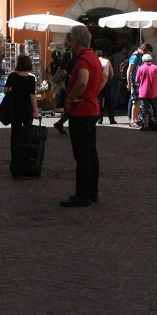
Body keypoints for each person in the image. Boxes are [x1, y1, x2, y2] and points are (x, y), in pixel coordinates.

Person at [61, 24, 103, 207]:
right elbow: (101, 79)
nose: (69, 44)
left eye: (70, 40)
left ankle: (83, 194)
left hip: (81, 110)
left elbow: (83, 80)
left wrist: (72, 97)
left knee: (83, 155)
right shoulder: (94, 57)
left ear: (76, 41)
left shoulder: (84, 59)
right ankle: (92, 192)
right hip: (91, 108)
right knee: (91, 153)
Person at [5, 54, 41, 157]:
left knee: (15, 133)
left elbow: (6, 90)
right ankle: (25, 155)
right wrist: (36, 112)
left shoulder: (12, 76)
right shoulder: (31, 79)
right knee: (26, 132)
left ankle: (14, 156)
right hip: (27, 109)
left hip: (15, 108)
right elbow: (32, 96)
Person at [126, 43, 151, 127]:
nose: (147, 54)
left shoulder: (140, 56)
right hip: (134, 82)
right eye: (147, 52)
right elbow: (129, 71)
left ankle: (136, 118)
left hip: (139, 82)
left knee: (138, 102)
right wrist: (129, 83)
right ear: (144, 49)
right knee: (135, 102)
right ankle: (133, 120)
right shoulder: (135, 57)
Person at [136, 53, 157, 130]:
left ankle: (146, 125)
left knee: (144, 110)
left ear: (143, 60)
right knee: (156, 110)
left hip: (143, 92)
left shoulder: (140, 68)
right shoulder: (156, 68)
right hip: (154, 92)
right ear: (151, 60)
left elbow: (137, 80)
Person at [51, 47, 74, 134]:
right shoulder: (69, 55)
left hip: (68, 83)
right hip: (68, 84)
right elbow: (64, 71)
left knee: (70, 106)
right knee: (71, 105)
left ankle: (60, 123)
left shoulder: (70, 55)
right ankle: (61, 123)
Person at [96, 49, 117, 125]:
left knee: (99, 101)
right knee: (109, 101)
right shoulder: (107, 61)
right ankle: (111, 119)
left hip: (98, 82)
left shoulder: (95, 61)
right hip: (107, 82)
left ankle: (99, 119)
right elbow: (111, 73)